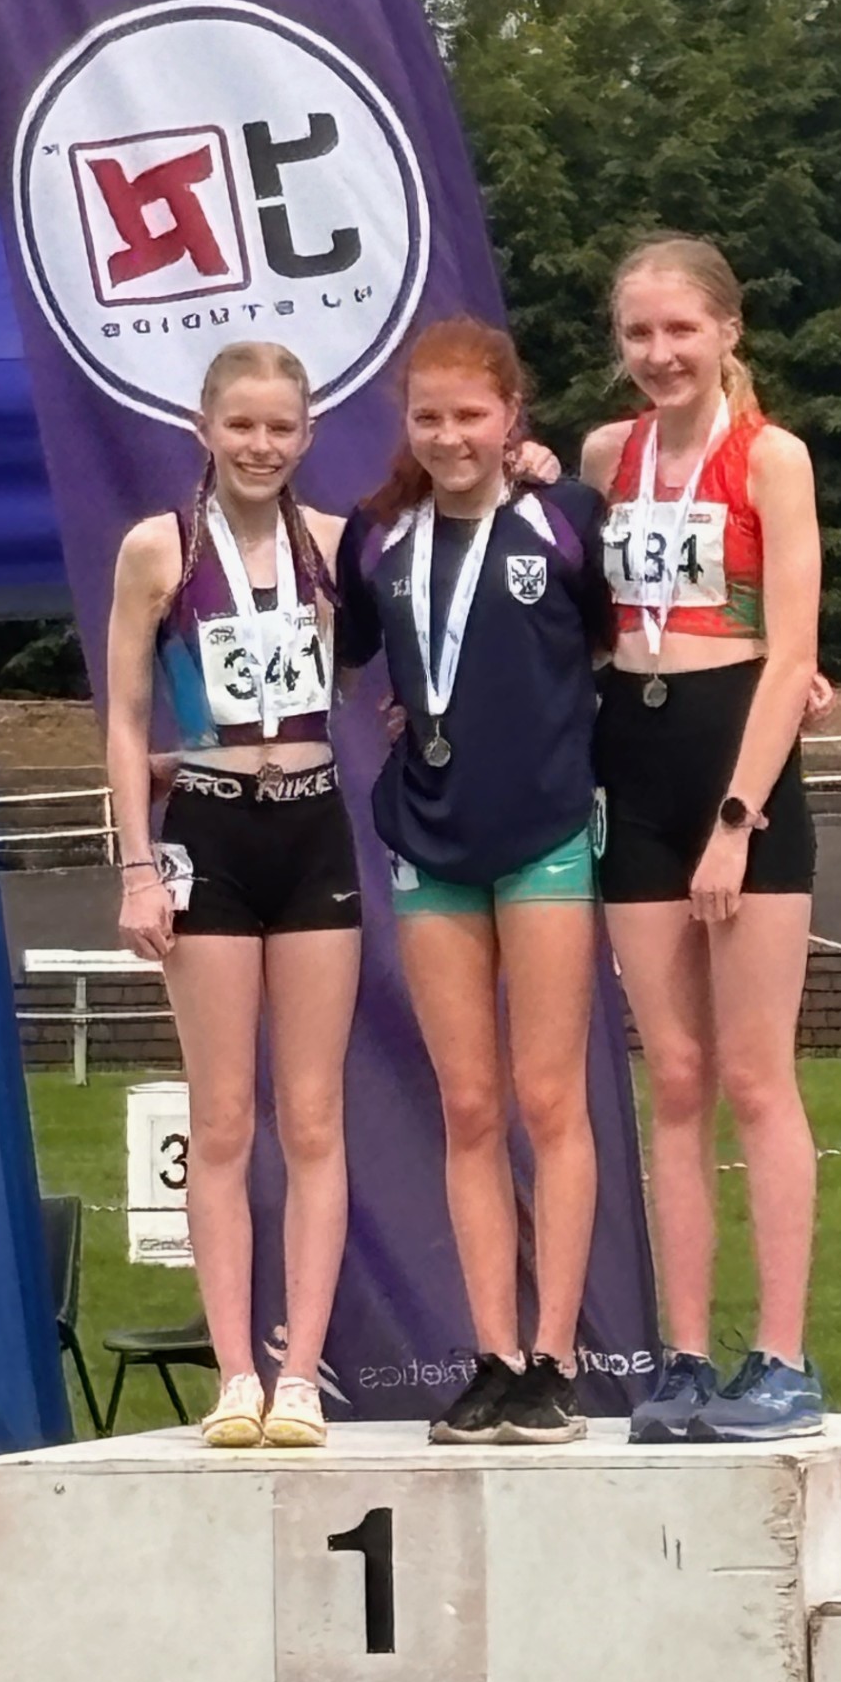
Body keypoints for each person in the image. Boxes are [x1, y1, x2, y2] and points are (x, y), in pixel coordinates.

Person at [337, 316, 613, 1446]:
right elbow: (348, 653)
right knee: (467, 1105)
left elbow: (615, 643)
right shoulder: (378, 538)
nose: (451, 435)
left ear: (513, 417)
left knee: (550, 1099)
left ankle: (556, 1358)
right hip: (430, 838)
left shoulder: (564, 519)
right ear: (408, 423)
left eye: (472, 414)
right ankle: (491, 1351)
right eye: (429, 416)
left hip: (544, 829)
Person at [580, 233, 823, 1443]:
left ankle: (780, 1354)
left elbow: (792, 653)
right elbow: (569, 609)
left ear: (730, 330)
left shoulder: (771, 458)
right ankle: (681, 1356)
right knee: (670, 1078)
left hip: (739, 761)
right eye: (640, 335)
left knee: (752, 1073)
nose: (660, 354)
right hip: (632, 756)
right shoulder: (605, 456)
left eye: (682, 330)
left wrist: (738, 818)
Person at [106, 342, 358, 1451]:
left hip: (312, 826)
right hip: (205, 830)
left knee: (311, 1115)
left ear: (307, 436)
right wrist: (135, 865)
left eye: (281, 428)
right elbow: (122, 719)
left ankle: (301, 1372)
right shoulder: (156, 550)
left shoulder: (342, 549)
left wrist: (537, 468)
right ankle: (234, 1374)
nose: (261, 446)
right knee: (221, 1117)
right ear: (204, 428)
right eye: (241, 425)